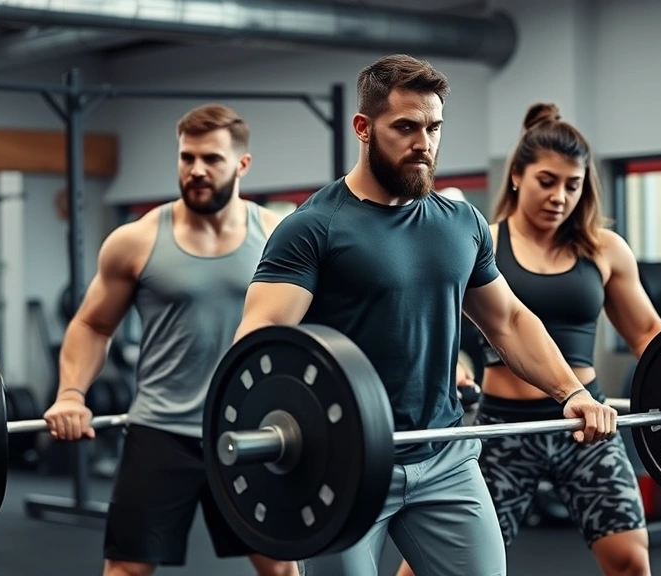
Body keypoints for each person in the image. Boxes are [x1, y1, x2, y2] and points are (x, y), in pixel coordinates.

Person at [232, 54, 617, 576]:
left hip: (446, 456)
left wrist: (570, 392)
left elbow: (508, 321)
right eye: (406, 127)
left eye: (434, 127)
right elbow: (260, 344)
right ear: (364, 128)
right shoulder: (313, 228)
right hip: (347, 461)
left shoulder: (461, 223)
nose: (424, 143)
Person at [400, 103, 661, 576]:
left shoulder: (605, 249)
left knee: (631, 562)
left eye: (572, 184)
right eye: (548, 181)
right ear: (518, 176)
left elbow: (648, 332)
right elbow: (438, 325)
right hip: (504, 429)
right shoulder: (481, 241)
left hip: (589, 424)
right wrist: (454, 367)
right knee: (432, 568)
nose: (559, 197)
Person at [42, 104, 298, 576]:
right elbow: (92, 325)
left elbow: (329, 322)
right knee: (127, 569)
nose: (196, 170)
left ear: (242, 165)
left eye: (212, 159)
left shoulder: (280, 237)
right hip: (161, 429)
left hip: (252, 427)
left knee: (281, 567)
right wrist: (71, 394)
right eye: (187, 157)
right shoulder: (136, 240)